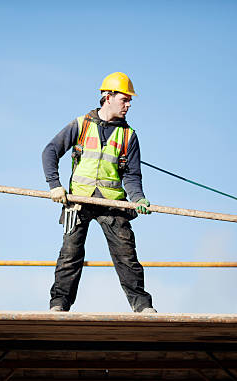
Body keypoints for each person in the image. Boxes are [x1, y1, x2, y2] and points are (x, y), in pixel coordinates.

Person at [42, 72, 157, 313]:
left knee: (126, 256)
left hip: (113, 204)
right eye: (124, 99)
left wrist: (138, 199)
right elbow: (50, 151)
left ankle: (142, 305)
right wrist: (54, 185)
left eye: (129, 101)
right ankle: (59, 304)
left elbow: (132, 176)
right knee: (70, 254)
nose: (128, 105)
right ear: (108, 96)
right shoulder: (81, 125)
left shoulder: (129, 136)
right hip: (78, 201)